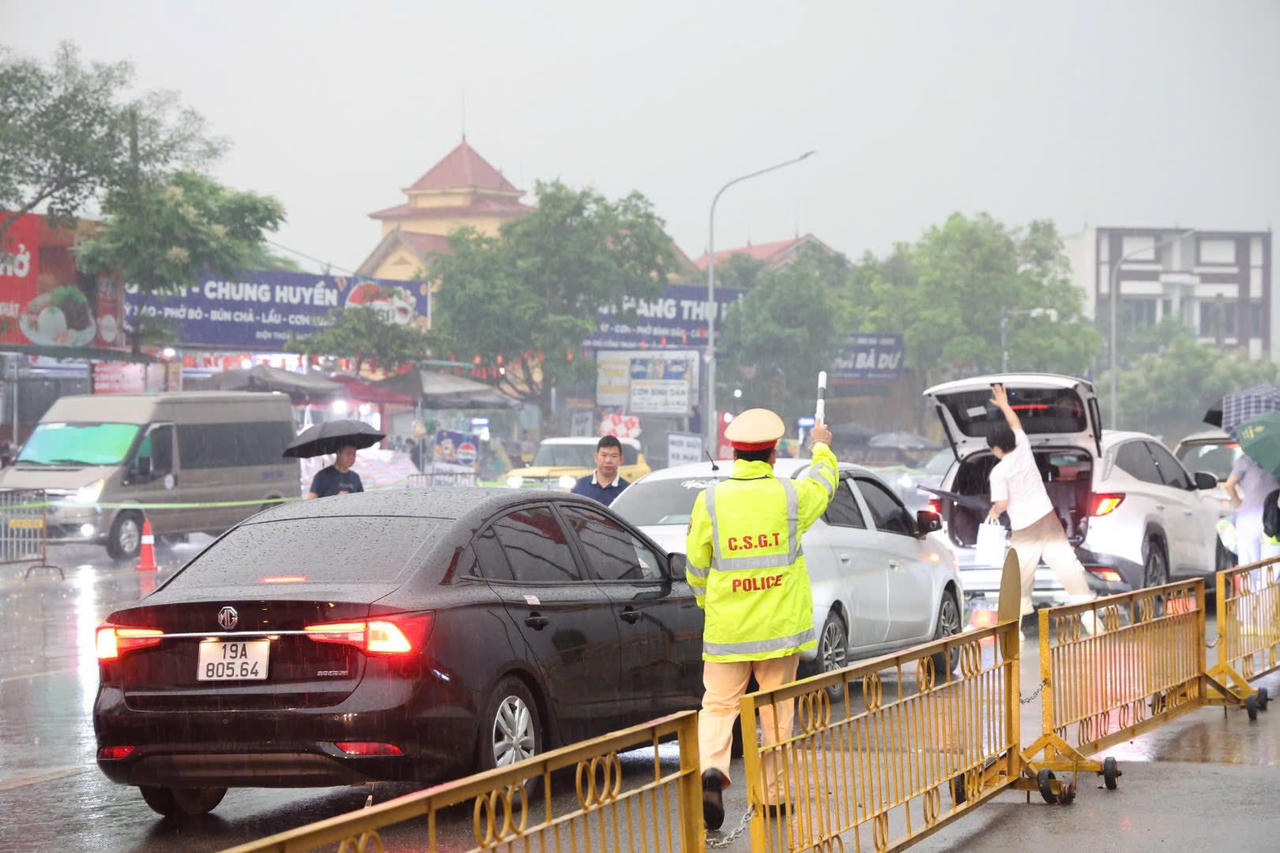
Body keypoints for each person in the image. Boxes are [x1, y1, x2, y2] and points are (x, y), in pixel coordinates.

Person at [685, 408, 837, 830]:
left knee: (717, 706)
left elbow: (696, 565)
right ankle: (772, 798)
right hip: (778, 629)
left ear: (735, 454)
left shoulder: (710, 500)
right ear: (772, 456)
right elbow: (824, 486)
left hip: (728, 630)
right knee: (775, 711)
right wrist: (821, 444)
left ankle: (712, 771)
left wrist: (708, 602)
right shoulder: (789, 495)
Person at [985, 383, 1094, 623]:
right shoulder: (1023, 447)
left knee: (1021, 577)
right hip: (1048, 519)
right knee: (1066, 564)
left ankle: (1016, 628)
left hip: (1024, 529)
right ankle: (1089, 616)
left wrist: (993, 511)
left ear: (995, 448)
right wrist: (1004, 405)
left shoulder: (999, 472)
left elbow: (1002, 503)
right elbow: (1016, 424)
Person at [1223, 452, 1280, 564]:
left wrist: (1239, 504)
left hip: (1248, 517)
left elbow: (1228, 485)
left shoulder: (1246, 460)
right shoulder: (1276, 458)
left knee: (1248, 562)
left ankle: (1251, 581)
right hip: (1273, 518)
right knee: (1271, 563)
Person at [570, 435, 629, 506]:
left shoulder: (627, 491)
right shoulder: (580, 486)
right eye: (604, 455)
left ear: (621, 459)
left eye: (614, 456)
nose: (608, 460)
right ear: (596, 457)